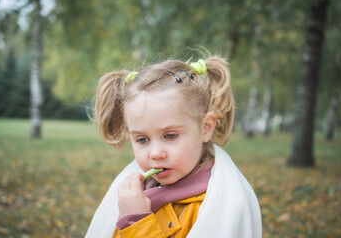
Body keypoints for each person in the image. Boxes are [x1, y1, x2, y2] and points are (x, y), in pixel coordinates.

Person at [85, 56, 262, 238]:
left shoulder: (220, 206)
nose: (155, 153)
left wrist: (136, 222)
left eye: (170, 136)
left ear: (206, 127)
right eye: (142, 140)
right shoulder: (134, 191)